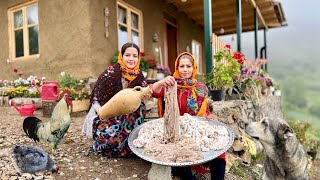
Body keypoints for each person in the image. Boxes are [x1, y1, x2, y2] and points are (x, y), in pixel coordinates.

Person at [151, 52, 226, 180]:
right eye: (182, 66)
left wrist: (211, 116)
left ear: (194, 68)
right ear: (177, 68)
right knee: (180, 151)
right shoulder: (170, 85)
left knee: (220, 151)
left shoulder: (201, 88)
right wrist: (161, 82)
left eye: (188, 66)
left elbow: (204, 110)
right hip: (176, 131)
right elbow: (154, 92)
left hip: (195, 128)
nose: (185, 70)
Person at [82, 42, 147, 157]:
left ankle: (126, 145)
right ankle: (117, 145)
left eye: (134, 56)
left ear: (138, 58)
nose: (131, 59)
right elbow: (96, 98)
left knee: (140, 107)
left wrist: (143, 95)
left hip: (128, 115)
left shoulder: (139, 76)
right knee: (107, 138)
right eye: (127, 55)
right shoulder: (111, 73)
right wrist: (101, 112)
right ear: (121, 56)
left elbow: (142, 93)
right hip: (109, 114)